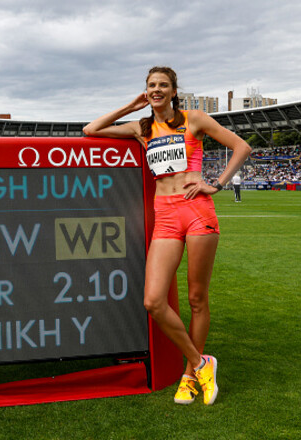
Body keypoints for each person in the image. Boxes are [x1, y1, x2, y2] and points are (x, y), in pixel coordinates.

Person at [83, 66, 251, 405]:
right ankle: (200, 361)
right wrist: (129, 107)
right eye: (151, 86)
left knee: (196, 299)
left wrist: (215, 184)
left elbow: (242, 147)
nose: (156, 89)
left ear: (174, 91)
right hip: (166, 215)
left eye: (163, 85)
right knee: (153, 301)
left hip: (197, 210)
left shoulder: (195, 119)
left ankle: (189, 378)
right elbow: (91, 129)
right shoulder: (141, 127)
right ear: (146, 91)